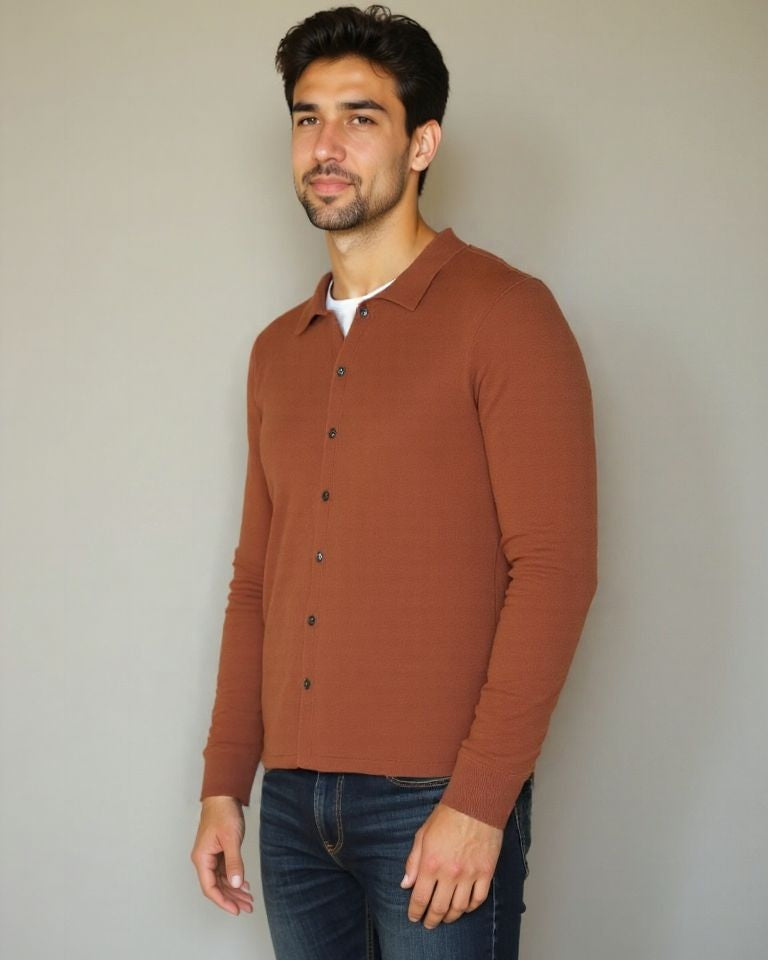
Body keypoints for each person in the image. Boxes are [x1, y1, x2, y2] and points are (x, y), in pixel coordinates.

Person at [190, 5, 598, 958]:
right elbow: (256, 581)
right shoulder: (275, 353)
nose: (325, 146)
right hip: (291, 808)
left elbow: (555, 570)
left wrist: (480, 801)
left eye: (360, 118)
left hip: (435, 797)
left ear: (422, 143)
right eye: (307, 118)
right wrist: (225, 785)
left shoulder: (507, 315)